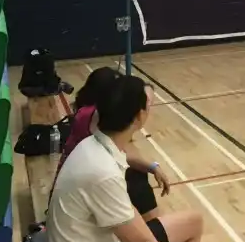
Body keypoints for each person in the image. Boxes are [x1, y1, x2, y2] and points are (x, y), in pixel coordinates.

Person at [47, 74, 219, 242]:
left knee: (193, 222)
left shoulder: (96, 145)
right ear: (139, 117)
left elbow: (130, 218)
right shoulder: (102, 171)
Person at [51, 67, 171, 222]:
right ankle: (154, 223)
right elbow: (124, 155)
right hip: (72, 209)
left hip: (66, 194)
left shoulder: (88, 114)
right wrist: (152, 167)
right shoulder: (97, 123)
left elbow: (124, 151)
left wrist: (152, 166)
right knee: (135, 177)